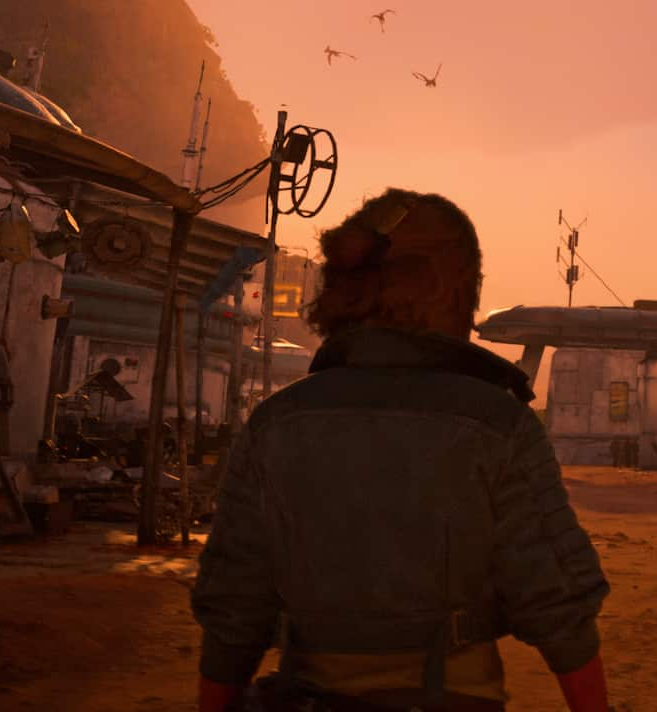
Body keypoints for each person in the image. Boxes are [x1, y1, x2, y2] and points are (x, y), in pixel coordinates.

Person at [191, 190, 611, 711]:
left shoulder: (276, 424)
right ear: (456, 290)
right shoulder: (499, 425)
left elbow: (234, 611)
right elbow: (558, 606)